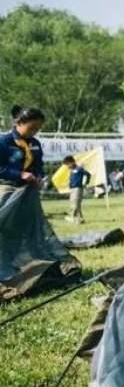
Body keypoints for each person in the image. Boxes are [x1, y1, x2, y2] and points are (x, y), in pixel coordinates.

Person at [0, 106, 46, 280]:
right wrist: (19, 174)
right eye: (31, 128)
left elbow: (38, 165)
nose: (34, 132)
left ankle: (13, 264)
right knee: (4, 226)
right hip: (6, 188)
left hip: (27, 192)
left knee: (20, 227)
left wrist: (39, 177)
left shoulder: (35, 144)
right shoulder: (3, 142)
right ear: (19, 123)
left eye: (38, 129)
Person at [63, 155, 91, 224]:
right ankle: (80, 218)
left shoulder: (79, 169)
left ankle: (73, 217)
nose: (67, 166)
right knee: (73, 202)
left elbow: (88, 174)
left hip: (78, 188)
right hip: (72, 189)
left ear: (72, 162)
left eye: (67, 164)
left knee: (75, 204)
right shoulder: (71, 171)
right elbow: (71, 180)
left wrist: (86, 182)